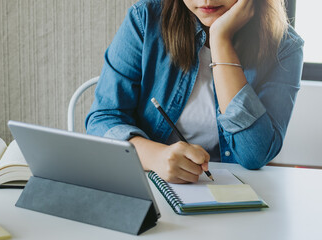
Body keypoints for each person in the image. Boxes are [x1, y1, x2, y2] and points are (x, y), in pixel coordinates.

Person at [85, 0, 304, 183]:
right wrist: (156, 158)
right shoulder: (145, 19)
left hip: (227, 188)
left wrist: (221, 40)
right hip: (149, 181)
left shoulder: (285, 47)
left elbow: (255, 155)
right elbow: (103, 119)